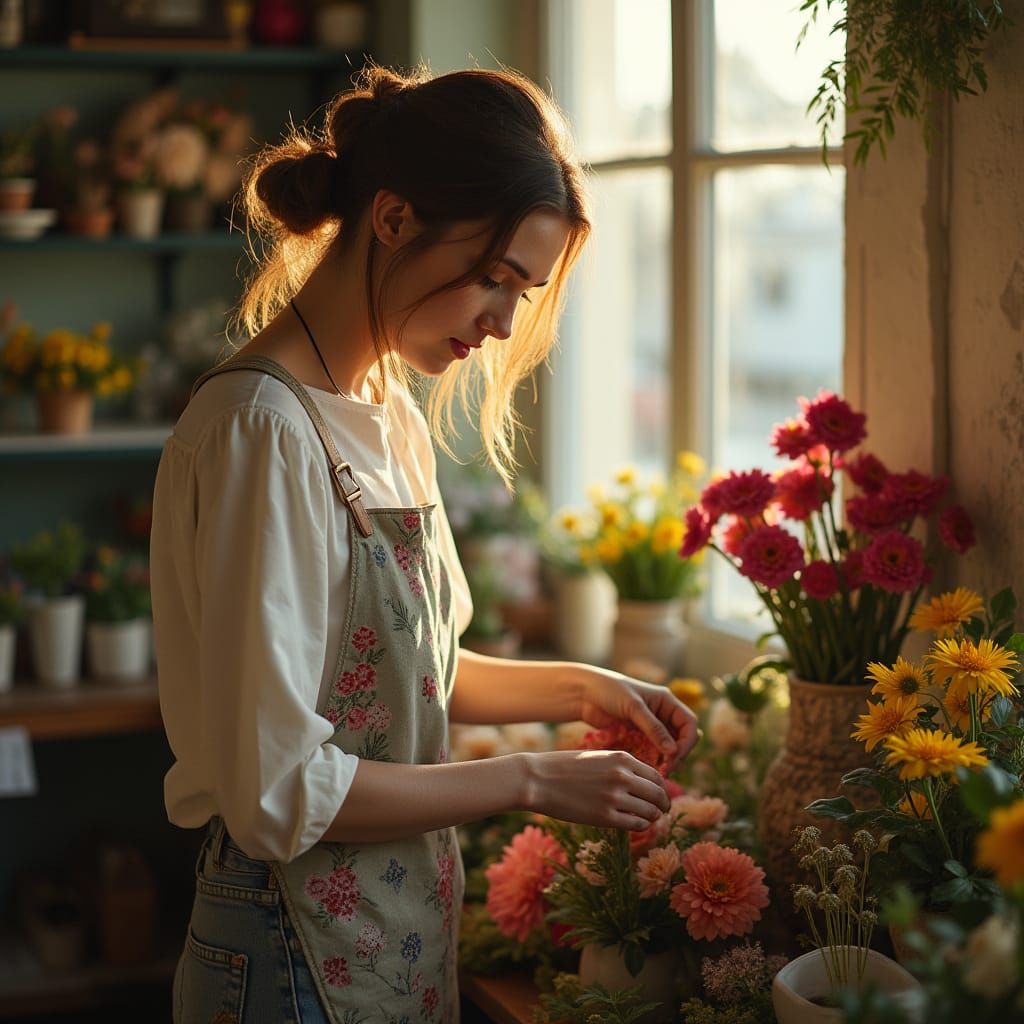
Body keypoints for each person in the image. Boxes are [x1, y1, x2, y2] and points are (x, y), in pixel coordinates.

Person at [151, 63, 699, 1024]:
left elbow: (408, 676)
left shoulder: (382, 411)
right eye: (493, 278)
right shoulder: (264, 431)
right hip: (288, 953)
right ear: (394, 218)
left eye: (522, 292)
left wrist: (584, 689)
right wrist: (530, 777)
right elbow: (277, 787)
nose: (502, 323)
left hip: (393, 933)